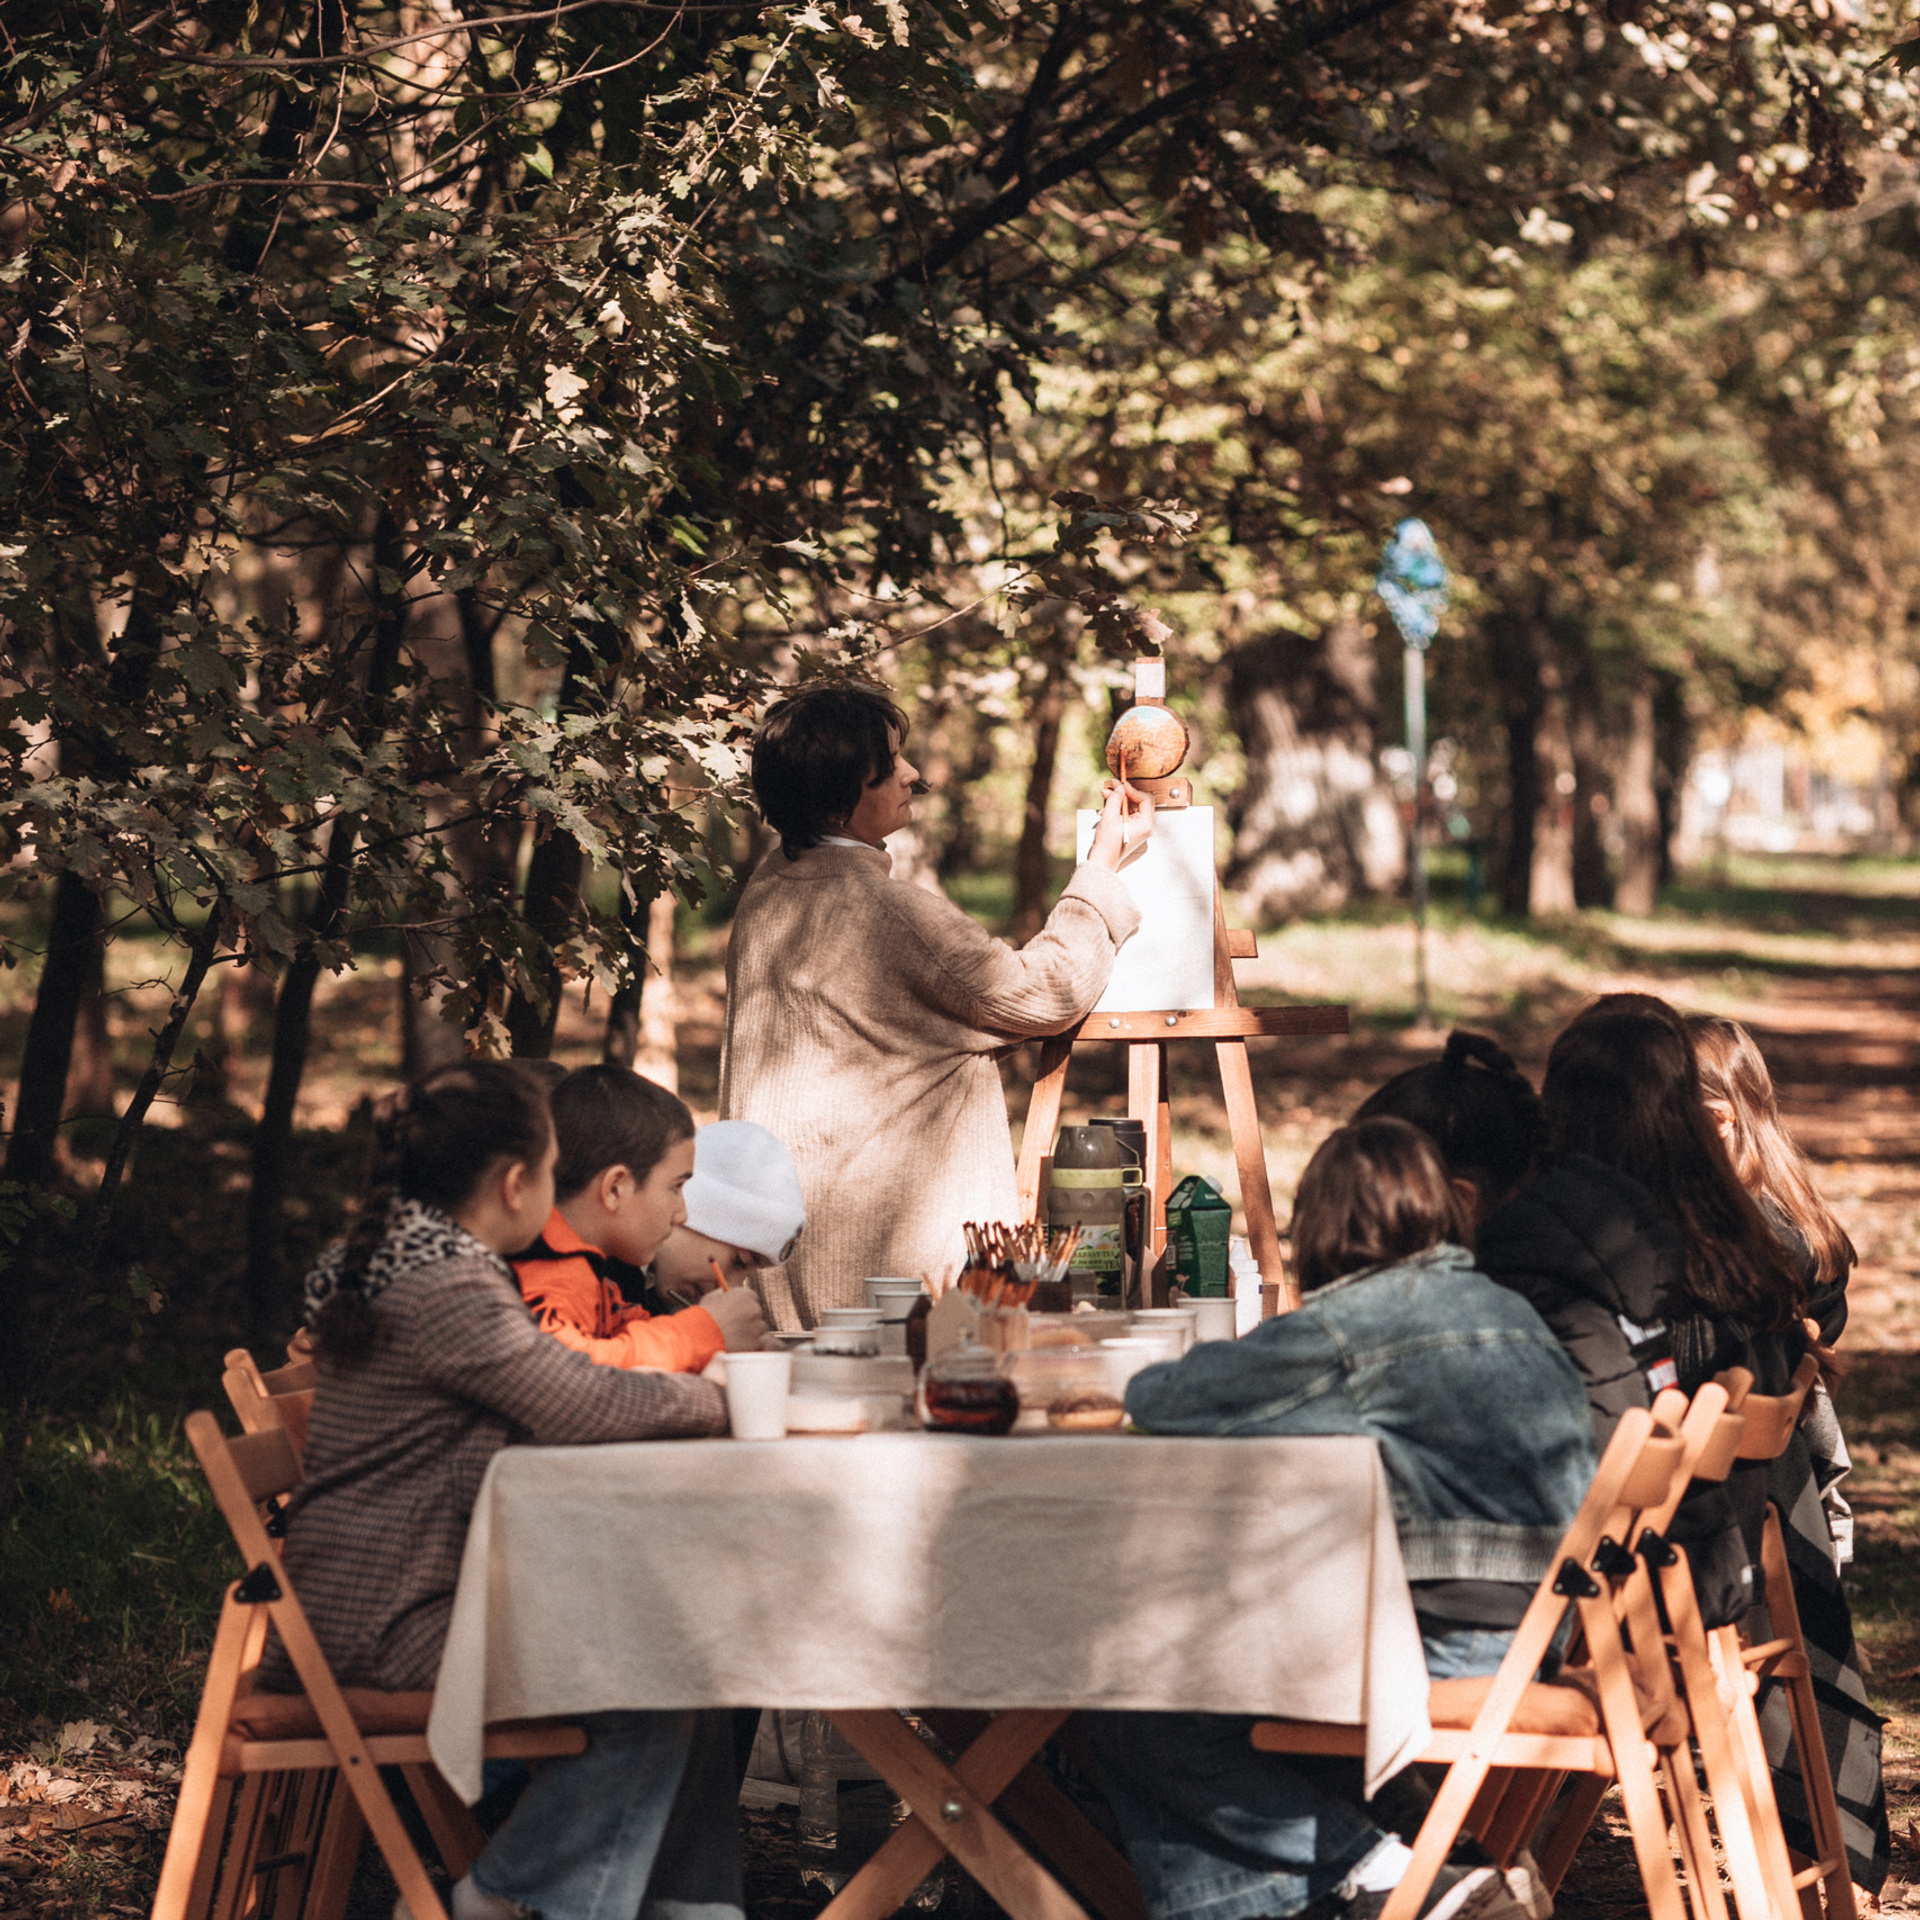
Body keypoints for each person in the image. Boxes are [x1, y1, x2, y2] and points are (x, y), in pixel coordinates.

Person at [1072, 1118, 1592, 1920]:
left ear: (1321, 1224)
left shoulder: (1355, 1327)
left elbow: (1167, 1399)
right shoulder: (1504, 1305)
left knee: (1138, 1691)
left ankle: (1387, 1877)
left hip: (1458, 1644)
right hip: (1543, 1632)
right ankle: (1417, 1875)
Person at [271, 1062, 738, 1920]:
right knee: (651, 1681)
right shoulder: (443, 1287)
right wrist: (721, 1403)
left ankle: (669, 1903)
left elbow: (560, 1389)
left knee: (677, 1654)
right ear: (518, 1181)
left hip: (390, 1592)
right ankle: (506, 1901)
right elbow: (576, 1399)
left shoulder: (423, 1268)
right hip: (391, 1618)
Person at [720, 681, 1152, 1325]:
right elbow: (1045, 994)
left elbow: (915, 1021)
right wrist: (1101, 868)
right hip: (884, 1266)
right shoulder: (889, 914)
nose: (912, 774)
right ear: (841, 801)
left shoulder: (771, 887)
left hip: (787, 1240)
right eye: (888, 766)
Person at [1686, 1015, 1890, 1900]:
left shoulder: (1756, 1231)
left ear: (1737, 1113)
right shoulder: (1781, 1211)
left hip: (1741, 1529)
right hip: (1776, 1512)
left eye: (1701, 1115)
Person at [513, 1068, 769, 1371]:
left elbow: (632, 1334)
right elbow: (572, 1372)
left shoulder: (587, 1270)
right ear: (615, 1188)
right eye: (675, 1187)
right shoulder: (545, 1271)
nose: (682, 1214)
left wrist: (742, 1342)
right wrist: (705, 1332)